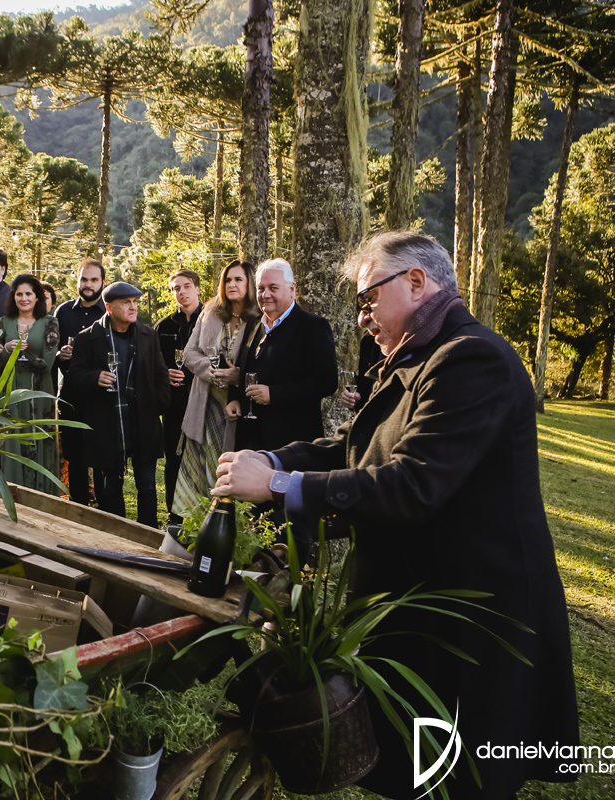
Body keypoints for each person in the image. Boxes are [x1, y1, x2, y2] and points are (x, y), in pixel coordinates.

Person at [214, 231, 579, 800]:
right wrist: (274, 459)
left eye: (368, 299)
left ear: (415, 281)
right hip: (419, 599)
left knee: (457, 777)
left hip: (468, 615)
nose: (362, 317)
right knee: (416, 766)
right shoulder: (415, 355)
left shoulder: (471, 358)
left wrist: (281, 485)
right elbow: (357, 445)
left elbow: (414, 483)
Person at [63, 281, 170, 526]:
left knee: (147, 486)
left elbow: (160, 375)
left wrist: (157, 405)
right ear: (109, 308)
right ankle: (115, 535)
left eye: (135, 302)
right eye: (126, 303)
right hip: (106, 425)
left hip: (142, 422)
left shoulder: (148, 336)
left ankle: (148, 535)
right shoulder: (86, 338)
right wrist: (94, 378)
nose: (133, 307)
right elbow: (73, 379)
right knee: (110, 487)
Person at [170, 261, 261, 523]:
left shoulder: (259, 319)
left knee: (224, 470)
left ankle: (217, 526)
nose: (232, 284)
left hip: (236, 409)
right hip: (203, 404)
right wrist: (208, 370)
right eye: (228, 280)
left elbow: (263, 365)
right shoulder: (210, 312)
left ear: (250, 284)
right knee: (195, 471)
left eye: (238, 280)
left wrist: (238, 376)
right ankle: (188, 527)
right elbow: (189, 353)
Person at [230, 258, 337, 453]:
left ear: (292, 289)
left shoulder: (313, 327)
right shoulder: (253, 325)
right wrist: (235, 399)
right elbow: (245, 369)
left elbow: (327, 382)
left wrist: (274, 394)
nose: (265, 295)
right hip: (249, 440)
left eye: (273, 288)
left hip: (290, 443)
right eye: (261, 288)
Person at [0, 273, 61, 493]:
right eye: (19, 294)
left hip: (40, 392)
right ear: (13, 297)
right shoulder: (3, 323)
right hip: (12, 392)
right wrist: (7, 351)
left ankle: (44, 497)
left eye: (28, 294)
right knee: (12, 441)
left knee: (41, 440)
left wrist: (20, 355)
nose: (24, 298)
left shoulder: (50, 322)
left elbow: (47, 363)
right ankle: (14, 495)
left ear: (37, 297)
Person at [54, 259, 107, 505]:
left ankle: (105, 510)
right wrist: (60, 355)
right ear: (77, 280)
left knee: (102, 459)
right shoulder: (63, 312)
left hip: (100, 397)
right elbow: (51, 351)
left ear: (103, 282)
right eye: (84, 279)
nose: (88, 284)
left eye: (94, 280)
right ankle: (78, 508)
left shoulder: (108, 312)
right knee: (75, 458)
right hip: (71, 396)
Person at [155, 268, 204, 524]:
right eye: (176, 288)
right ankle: (174, 517)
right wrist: (165, 373)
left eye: (186, 286)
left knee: (201, 461)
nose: (181, 292)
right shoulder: (164, 326)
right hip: (173, 405)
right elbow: (152, 364)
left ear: (197, 288)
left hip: (203, 402)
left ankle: (201, 516)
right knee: (173, 462)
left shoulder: (210, 321)